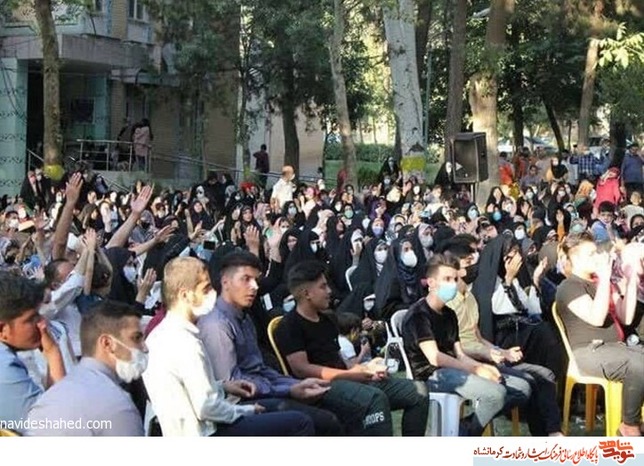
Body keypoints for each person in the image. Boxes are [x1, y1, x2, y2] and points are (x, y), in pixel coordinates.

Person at [143, 256, 314, 436]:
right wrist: (245, 411)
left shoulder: (161, 335)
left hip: (200, 424)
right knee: (301, 422)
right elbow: (207, 408)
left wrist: (223, 386)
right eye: (205, 289)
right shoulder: (186, 342)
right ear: (185, 295)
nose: (212, 294)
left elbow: (191, 388)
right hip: (204, 432)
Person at [274, 260, 429, 436]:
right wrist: (352, 374)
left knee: (418, 391)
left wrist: (366, 370)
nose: (329, 291)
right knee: (375, 399)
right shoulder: (289, 326)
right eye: (323, 287)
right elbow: (302, 370)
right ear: (306, 293)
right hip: (319, 388)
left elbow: (339, 359)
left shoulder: (328, 320)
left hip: (345, 379)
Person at [198, 250, 343, 435]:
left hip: (264, 391)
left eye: (256, 280)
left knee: (334, 403)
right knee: (322, 421)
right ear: (225, 282)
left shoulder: (244, 318)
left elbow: (259, 369)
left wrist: (293, 384)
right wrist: (288, 390)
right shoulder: (217, 325)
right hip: (240, 405)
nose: (254, 287)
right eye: (246, 279)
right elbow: (236, 387)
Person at [401, 254, 529, 436]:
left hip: (454, 369)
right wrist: (476, 369)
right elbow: (435, 357)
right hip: (431, 375)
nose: (453, 284)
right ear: (431, 283)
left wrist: (482, 367)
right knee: (496, 394)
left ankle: (463, 429)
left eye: (455, 279)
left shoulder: (449, 314)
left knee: (522, 388)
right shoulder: (419, 315)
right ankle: (463, 435)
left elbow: (459, 354)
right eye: (447, 279)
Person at [556, 232, 643, 437]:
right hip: (588, 352)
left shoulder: (601, 283)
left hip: (615, 348)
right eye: (591, 254)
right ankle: (629, 425)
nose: (597, 257)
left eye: (596, 252)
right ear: (575, 259)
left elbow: (626, 317)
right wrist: (604, 278)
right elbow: (596, 317)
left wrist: (631, 280)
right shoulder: (568, 287)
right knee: (639, 365)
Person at [26, 301, 146, 436]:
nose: (144, 348)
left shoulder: (50, 396)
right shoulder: (118, 406)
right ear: (107, 343)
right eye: (136, 338)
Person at [0, 272, 66, 430]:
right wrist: (53, 354)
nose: (43, 324)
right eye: (31, 319)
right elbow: (55, 426)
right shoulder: (4, 367)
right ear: (2, 329)